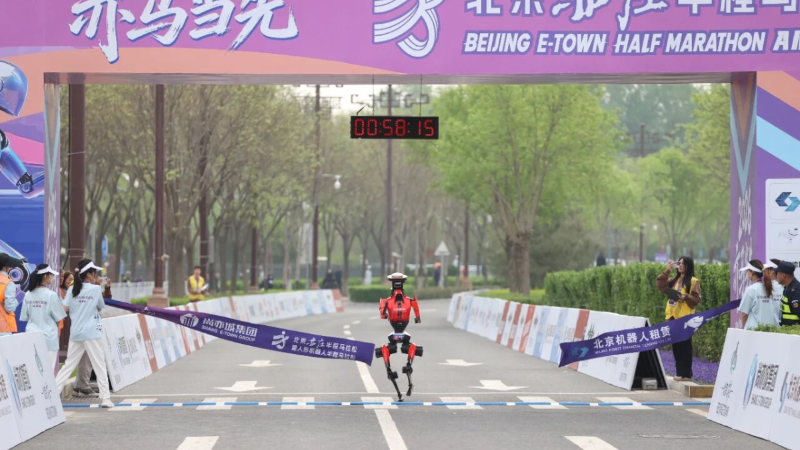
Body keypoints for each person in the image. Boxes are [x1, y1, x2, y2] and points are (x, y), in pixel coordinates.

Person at [55, 259, 113, 408]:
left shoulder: (72, 289)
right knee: (99, 365)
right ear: (89, 274)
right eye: (94, 272)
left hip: (76, 333)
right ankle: (105, 399)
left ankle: (53, 394)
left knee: (68, 365)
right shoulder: (94, 290)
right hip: (92, 332)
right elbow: (100, 307)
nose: (96, 275)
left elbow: (65, 309)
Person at [377, 273, 422, 401]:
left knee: (386, 349)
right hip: (404, 334)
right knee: (411, 346)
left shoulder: (386, 301)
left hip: (393, 333)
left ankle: (390, 369)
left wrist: (386, 311)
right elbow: (417, 314)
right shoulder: (410, 300)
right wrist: (417, 318)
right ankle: (408, 366)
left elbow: (383, 315)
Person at [656, 256, 701, 381]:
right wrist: (667, 270)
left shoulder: (693, 281)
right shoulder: (674, 280)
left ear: (688, 266)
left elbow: (697, 300)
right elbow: (660, 285)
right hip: (672, 318)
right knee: (676, 346)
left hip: (686, 319)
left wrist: (686, 296)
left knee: (685, 346)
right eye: (678, 263)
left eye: (682, 264)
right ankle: (679, 373)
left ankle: (686, 374)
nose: (680, 266)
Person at [20, 264, 66, 370]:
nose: (52, 278)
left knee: (34, 371)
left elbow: (24, 317)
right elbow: (59, 318)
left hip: (31, 337)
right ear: (45, 276)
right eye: (51, 275)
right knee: (47, 372)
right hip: (49, 339)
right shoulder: (51, 295)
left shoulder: (28, 294)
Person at [737, 260, 781, 330]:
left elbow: (744, 314)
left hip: (754, 331)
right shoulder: (769, 288)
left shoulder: (751, 289)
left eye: (748, 271)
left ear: (752, 272)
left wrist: (742, 327)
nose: (747, 273)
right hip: (770, 330)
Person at [775, 261, 800, 326]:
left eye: (777, 274)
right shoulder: (787, 288)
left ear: (783, 275)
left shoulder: (795, 291)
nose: (776, 276)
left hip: (794, 334)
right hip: (788, 332)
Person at [0, 253, 19, 337]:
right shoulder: (8, 283)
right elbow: (9, 308)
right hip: (3, 328)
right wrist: (16, 301)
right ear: (6, 267)